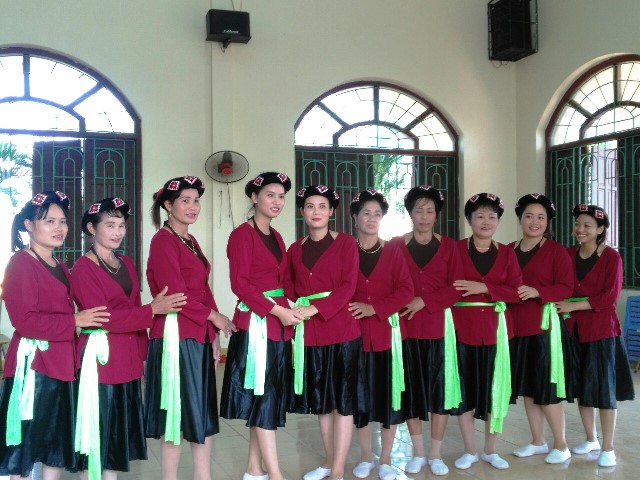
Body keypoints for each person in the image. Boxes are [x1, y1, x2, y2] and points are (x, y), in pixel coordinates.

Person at [71, 197, 187, 480]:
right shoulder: (83, 268)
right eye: (110, 225)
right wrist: (152, 310)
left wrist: (143, 356)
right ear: (91, 228)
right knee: (97, 436)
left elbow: (134, 307)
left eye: (121, 225)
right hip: (100, 361)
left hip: (127, 361)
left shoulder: (125, 262)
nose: (117, 232)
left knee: (116, 439)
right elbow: (103, 318)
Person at [0, 191, 110, 479]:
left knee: (56, 447)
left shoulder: (59, 265)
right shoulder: (21, 263)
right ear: (29, 225)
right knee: (26, 447)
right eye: (49, 221)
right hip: (34, 370)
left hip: (61, 365)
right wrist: (74, 320)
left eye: (62, 221)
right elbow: (25, 322)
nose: (59, 228)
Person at [145, 176, 235, 480]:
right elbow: (176, 295)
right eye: (185, 200)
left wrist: (213, 333)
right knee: (176, 414)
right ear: (168, 206)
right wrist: (214, 317)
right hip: (176, 336)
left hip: (196, 334)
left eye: (196, 200)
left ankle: (202, 476)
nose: (193, 206)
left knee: (201, 411)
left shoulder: (190, 240)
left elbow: (203, 289)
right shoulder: (163, 241)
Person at [221, 172, 303, 480]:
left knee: (266, 397)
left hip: (277, 325)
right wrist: (277, 310)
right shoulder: (242, 235)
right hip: (257, 326)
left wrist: (304, 304)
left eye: (281, 196)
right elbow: (240, 284)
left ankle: (254, 469)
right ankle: (276, 474)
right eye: (270, 195)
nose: (277, 201)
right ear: (254, 198)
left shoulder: (277, 236)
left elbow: (284, 282)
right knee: (264, 396)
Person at [285, 185, 361, 480]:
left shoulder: (346, 243)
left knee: (342, 402)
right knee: (323, 403)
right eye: (309, 206)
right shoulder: (295, 249)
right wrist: (300, 305)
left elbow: (348, 286)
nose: (316, 211)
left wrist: (316, 307)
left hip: (342, 331)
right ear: (302, 212)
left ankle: (338, 468)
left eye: (322, 206)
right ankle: (329, 462)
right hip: (311, 334)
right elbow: (288, 284)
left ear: (331, 212)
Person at [390, 186, 463, 477]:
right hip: (405, 329)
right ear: (410, 213)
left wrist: (426, 300)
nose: (424, 216)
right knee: (411, 390)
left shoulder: (451, 247)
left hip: (438, 328)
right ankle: (418, 452)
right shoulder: (395, 245)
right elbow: (389, 282)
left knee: (439, 391)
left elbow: (456, 288)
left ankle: (435, 453)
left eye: (429, 210)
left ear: (436, 215)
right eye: (418, 210)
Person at [555, 204, 634, 468]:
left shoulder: (611, 257)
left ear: (600, 229)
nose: (580, 229)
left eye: (587, 225)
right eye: (578, 224)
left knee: (604, 389)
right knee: (582, 386)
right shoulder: (568, 254)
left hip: (601, 331)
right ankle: (591, 439)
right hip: (574, 329)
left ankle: (608, 447)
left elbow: (609, 296)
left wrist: (574, 305)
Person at [451, 193, 521, 471]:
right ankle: (469, 450)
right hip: (462, 330)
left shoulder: (507, 253)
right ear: (470, 220)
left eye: (492, 216)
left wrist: (486, 288)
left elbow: (516, 292)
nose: (486, 221)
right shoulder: (455, 249)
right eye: (479, 215)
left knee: (496, 391)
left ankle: (490, 449)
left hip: (497, 332)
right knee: (465, 391)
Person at [348, 190, 413, 480]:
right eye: (366, 213)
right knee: (359, 398)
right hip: (354, 335)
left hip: (388, 335)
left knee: (389, 398)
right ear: (355, 217)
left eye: (377, 214)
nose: (372, 218)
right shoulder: (346, 250)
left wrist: (374, 308)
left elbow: (406, 290)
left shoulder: (393, 251)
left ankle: (385, 458)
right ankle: (365, 456)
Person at [509, 194, 574, 464]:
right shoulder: (509, 250)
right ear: (520, 219)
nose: (534, 222)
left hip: (544, 329)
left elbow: (566, 287)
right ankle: (538, 441)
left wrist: (538, 291)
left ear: (547, 222)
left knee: (546, 388)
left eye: (540, 217)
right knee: (528, 388)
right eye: (529, 216)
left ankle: (561, 444)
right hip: (516, 328)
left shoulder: (556, 251)